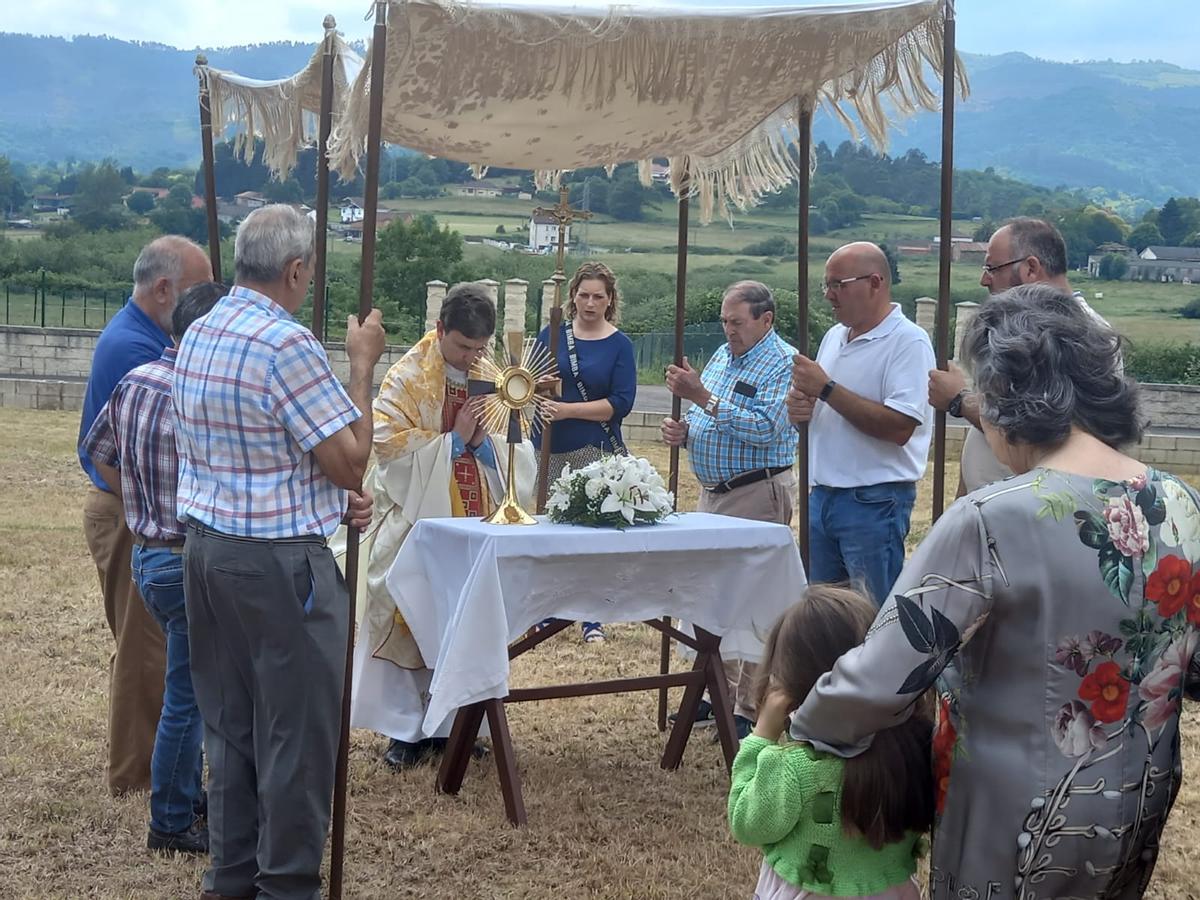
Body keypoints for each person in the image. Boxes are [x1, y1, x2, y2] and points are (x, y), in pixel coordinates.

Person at [789, 284, 1200, 898]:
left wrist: (799, 725)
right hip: (1142, 796)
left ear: (1008, 392)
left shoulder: (991, 517)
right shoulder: (1180, 502)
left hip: (1016, 815)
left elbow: (879, 678)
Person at [173, 205, 384, 900]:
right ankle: (288, 886)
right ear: (296, 271)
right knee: (296, 736)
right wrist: (360, 367)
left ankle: (230, 878)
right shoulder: (285, 344)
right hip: (277, 566)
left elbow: (260, 453)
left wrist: (324, 497)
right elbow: (351, 463)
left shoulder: (201, 330)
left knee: (231, 726)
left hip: (207, 550)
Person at [347, 282, 536, 770]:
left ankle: (452, 725)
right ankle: (404, 731)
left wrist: (482, 445)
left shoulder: (494, 374)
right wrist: (451, 442)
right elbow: (387, 444)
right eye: (462, 347)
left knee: (462, 618)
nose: (473, 358)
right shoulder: (407, 375)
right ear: (439, 329)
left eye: (480, 348)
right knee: (411, 615)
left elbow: (517, 443)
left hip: (477, 511)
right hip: (417, 518)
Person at [82, 280, 226, 856]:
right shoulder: (199, 395)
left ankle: (184, 798)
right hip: (187, 557)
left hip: (148, 553)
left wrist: (141, 506)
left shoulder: (136, 381)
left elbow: (98, 452)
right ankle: (171, 818)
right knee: (189, 697)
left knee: (183, 689)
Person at [728, 585, 933, 900]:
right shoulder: (915, 748)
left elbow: (747, 823)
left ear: (789, 686)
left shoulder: (794, 768)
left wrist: (761, 737)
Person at [661, 280, 796, 740]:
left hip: (756, 493)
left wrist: (701, 397)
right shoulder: (723, 356)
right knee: (712, 595)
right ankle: (712, 690)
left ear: (765, 320)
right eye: (724, 320)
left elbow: (766, 428)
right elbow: (709, 415)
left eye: (736, 322)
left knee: (751, 602)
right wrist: (686, 431)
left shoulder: (783, 363)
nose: (728, 330)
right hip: (714, 494)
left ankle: (745, 706)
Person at [787, 241, 934, 606]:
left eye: (839, 284)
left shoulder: (908, 342)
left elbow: (900, 427)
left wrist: (826, 389)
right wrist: (800, 410)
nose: (829, 295)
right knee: (825, 618)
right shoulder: (835, 337)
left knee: (873, 618)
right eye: (826, 285)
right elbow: (825, 407)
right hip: (823, 496)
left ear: (875, 282)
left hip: (873, 502)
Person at [928, 217, 1111, 496]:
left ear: (1030, 268)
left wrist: (959, 401)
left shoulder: (1088, 337)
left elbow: (1057, 437)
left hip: (1028, 518)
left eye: (992, 268)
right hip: (990, 510)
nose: (984, 280)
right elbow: (985, 439)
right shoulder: (1013, 332)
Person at [534, 261, 636, 643]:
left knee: (589, 534)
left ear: (610, 300)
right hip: (546, 445)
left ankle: (592, 614)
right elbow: (530, 382)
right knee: (548, 530)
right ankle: (546, 609)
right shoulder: (552, 335)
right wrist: (541, 387)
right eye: (583, 295)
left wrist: (569, 410)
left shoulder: (620, 345)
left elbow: (621, 402)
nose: (590, 303)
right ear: (573, 296)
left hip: (593, 449)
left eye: (598, 296)